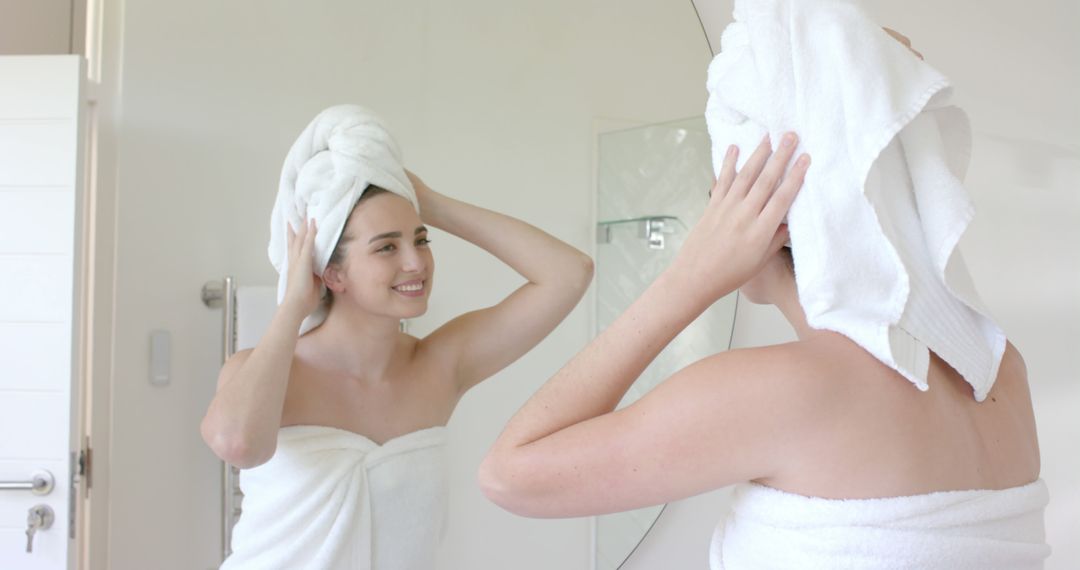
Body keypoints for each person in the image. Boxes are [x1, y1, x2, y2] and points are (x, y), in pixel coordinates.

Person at [479, 134, 1048, 568]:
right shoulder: (998, 366)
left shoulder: (793, 389)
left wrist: (689, 279)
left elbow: (510, 475)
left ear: (772, 222)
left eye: (721, 205)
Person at [200, 107, 593, 569]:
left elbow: (568, 274)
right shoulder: (263, 372)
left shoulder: (439, 365)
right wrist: (291, 309)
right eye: (387, 246)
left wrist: (429, 202)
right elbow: (238, 444)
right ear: (332, 272)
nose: (416, 262)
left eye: (421, 240)